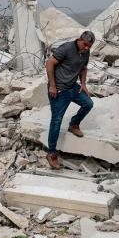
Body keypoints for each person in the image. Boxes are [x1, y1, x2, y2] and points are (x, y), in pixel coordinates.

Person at [44, 31, 96, 169]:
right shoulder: (67, 48)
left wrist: (83, 84)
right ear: (79, 40)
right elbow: (49, 63)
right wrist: (53, 86)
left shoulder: (85, 52)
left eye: (89, 46)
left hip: (73, 87)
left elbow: (84, 68)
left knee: (88, 103)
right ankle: (52, 153)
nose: (86, 48)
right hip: (59, 89)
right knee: (56, 121)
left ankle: (74, 124)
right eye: (85, 45)